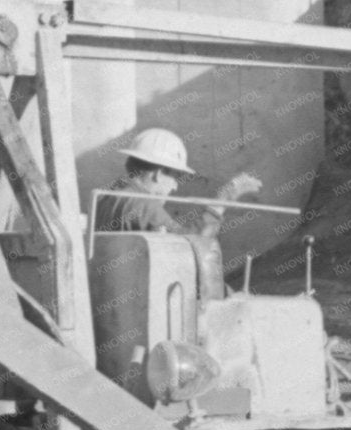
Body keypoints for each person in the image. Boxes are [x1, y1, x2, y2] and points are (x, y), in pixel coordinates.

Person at [93, 128, 262, 301]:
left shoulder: (107, 197)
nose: (175, 187)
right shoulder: (142, 204)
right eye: (175, 177)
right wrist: (222, 201)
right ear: (158, 174)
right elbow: (192, 249)